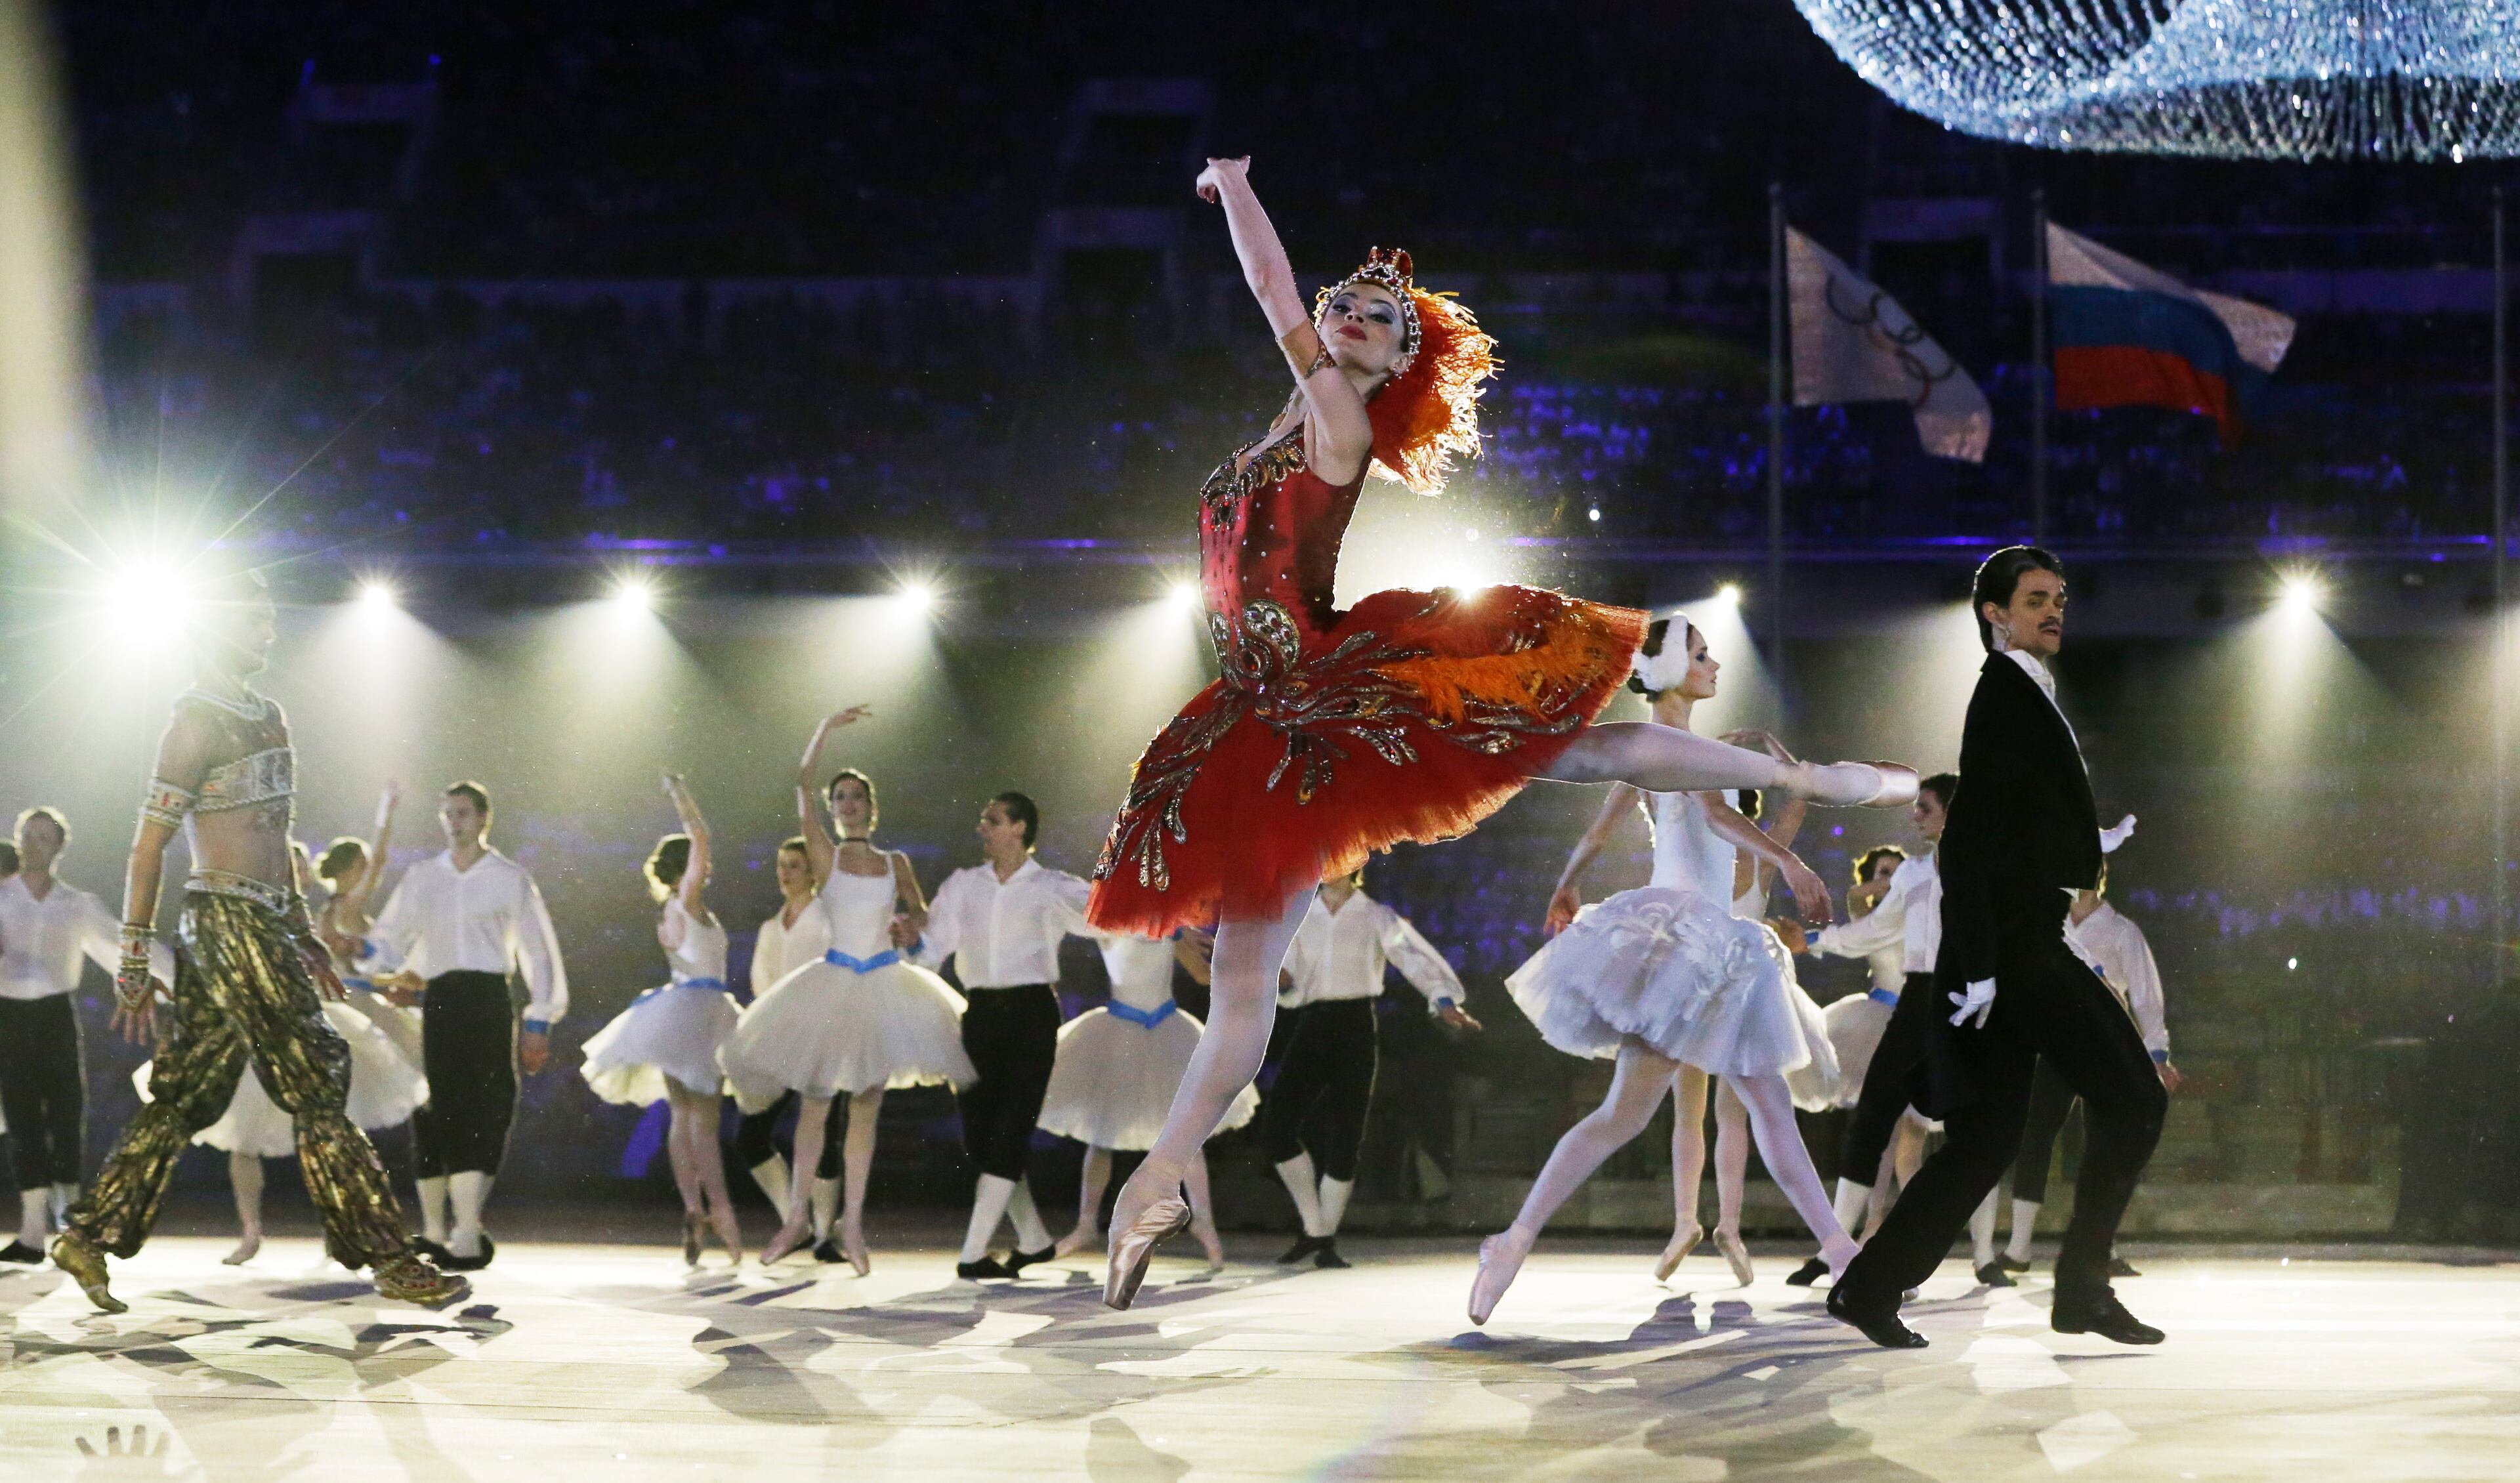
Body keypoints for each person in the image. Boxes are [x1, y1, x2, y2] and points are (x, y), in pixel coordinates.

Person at [1082, 156, 1914, 1310]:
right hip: (1257, 710)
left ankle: (1819, 774)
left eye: (1382, 318)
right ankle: (1159, 1183)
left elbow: (1272, 288)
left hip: (1329, 687)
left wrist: (1236, 189)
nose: (1355, 315)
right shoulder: (1293, 416)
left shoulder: (1333, 415)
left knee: (1575, 747)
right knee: (1240, 981)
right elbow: (1290, 306)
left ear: (1392, 363)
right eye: (1349, 303)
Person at [52, 566, 463, 1312]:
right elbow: (148, 849)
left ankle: (89, 1233)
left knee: (189, 1089)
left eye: (269, 616)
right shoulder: (193, 724)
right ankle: (388, 1254)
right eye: (251, 618)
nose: (267, 629)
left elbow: (276, 840)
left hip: (265, 917)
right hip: (223, 918)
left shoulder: (270, 716)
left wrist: (301, 928)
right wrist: (135, 958)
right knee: (316, 1066)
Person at [1828, 547, 2169, 1350]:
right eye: (2036, 599)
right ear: (1995, 614)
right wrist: (1981, 965)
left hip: (2016, 937)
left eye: (2060, 598)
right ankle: (2081, 1286)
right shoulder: (2003, 695)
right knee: (2137, 1100)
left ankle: (1869, 1287)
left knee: (1986, 1140)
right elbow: (1971, 841)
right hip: (2018, 946)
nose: (2054, 610)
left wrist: (2085, 840)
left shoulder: (2026, 691)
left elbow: (2015, 818)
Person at [1472, 616, 1855, 1324]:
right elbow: (1711, 812)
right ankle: (1513, 1238)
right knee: (1629, 1113)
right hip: (1686, 940)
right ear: (1674, 666)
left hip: (1708, 941)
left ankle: (1843, 1255)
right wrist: (1787, 858)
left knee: (1760, 1109)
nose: (1715, 666)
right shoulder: (1676, 750)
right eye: (1703, 656)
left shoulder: (1648, 747)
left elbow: (1601, 825)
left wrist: (1568, 881)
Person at [720, 709, 973, 1272]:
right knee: (814, 1108)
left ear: (871, 807)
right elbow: (801, 784)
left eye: (855, 796)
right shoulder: (825, 857)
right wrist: (826, 728)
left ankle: (852, 1225)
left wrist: (911, 927)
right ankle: (795, 1221)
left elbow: (921, 917)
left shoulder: (894, 861)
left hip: (883, 982)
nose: (847, 804)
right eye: (840, 798)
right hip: (834, 982)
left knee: (865, 1110)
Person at [138, 839, 427, 1268]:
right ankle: (251, 1231)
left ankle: (341, 1230)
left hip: (317, 1028)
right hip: (263, 1029)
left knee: (331, 1135)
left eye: (296, 868)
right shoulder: (248, 917)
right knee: (242, 1135)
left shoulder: (323, 915)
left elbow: (346, 957)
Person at [361, 780, 570, 1272]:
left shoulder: (509, 877)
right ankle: (443, 1232)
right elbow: (388, 938)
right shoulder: (422, 877)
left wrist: (540, 1017)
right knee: (438, 1107)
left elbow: (539, 950)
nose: (454, 822)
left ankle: (467, 1227)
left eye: (462, 813)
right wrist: (375, 971)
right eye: (448, 813)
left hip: (489, 997)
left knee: (490, 1106)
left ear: (482, 819)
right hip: (441, 999)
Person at [1781, 775, 1959, 1287]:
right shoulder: (1915, 874)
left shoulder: (1986, 868)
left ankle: (1946, 1250)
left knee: (1965, 1138)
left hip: (1966, 1008)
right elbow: (1871, 932)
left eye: (1925, 807)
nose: (1914, 815)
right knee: (1872, 1125)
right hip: (1915, 1002)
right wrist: (1810, 940)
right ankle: (1840, 1250)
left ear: (1951, 811)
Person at [917, 791, 1095, 1280]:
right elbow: (931, 947)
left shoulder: (1051, 886)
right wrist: (905, 944)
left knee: (1012, 1129)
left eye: (991, 820)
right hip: (979, 1015)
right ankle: (1034, 1240)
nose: (982, 828)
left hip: (1031, 1014)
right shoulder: (963, 885)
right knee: (980, 1138)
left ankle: (973, 1254)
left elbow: (1105, 918)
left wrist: (1170, 922)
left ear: (1019, 828)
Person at [1267, 867, 1480, 1270]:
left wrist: (1445, 1000)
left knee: (1348, 1132)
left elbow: (1413, 959)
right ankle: (1316, 1229)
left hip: (1357, 1025)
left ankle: (1325, 1239)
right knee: (1278, 1126)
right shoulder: (1299, 916)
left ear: (1355, 863)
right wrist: (1276, 979)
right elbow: (1287, 979)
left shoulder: (1377, 916)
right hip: (1312, 1023)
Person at [580, 774, 745, 1265]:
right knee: (703, 1122)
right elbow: (702, 838)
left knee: (682, 1116)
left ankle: (694, 1208)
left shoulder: (674, 909)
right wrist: (680, 796)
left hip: (676, 1011)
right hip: (702, 1012)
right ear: (685, 870)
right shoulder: (689, 901)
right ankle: (722, 1214)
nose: (707, 866)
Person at [0, 810, 171, 1263]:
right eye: (26, 836)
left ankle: (68, 1220)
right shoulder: (0, 895)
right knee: (22, 1119)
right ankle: (33, 1232)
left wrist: (176, 976)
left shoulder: (77, 903)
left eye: (43, 837)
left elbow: (119, 945)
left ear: (60, 846)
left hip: (56, 1012)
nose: (33, 844)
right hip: (8, 1015)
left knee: (65, 1112)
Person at [1999, 864, 2180, 1276]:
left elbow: (2146, 996)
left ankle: (2103, 1247)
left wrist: (2158, 1053)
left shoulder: (2122, 931)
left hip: (2106, 1045)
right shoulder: (2050, 923)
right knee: (2037, 1135)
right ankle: (2019, 1247)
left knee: (2104, 1145)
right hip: (2055, 1042)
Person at [1038, 925, 1247, 1270]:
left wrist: (1229, 963)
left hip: (1167, 1030)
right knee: (1102, 1135)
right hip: (1118, 1032)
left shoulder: (1170, 927)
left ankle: (1204, 1219)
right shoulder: (1108, 924)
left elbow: (1200, 974)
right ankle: (1087, 1223)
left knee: (1186, 1135)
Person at [730, 835, 847, 1259]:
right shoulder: (769, 927)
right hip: (778, 1037)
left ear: (813, 873)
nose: (784, 873)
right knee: (752, 1133)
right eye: (781, 865)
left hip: (822, 1032)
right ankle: (792, 1218)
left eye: (794, 865)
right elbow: (762, 986)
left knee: (825, 1133)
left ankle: (823, 1234)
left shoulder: (828, 919)